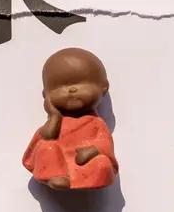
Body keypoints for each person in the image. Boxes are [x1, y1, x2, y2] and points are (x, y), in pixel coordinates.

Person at [23, 48, 118, 190]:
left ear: (103, 88)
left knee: (102, 163)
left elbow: (105, 145)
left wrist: (92, 151)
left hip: (84, 164)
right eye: (59, 87)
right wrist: (54, 115)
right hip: (58, 164)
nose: (71, 90)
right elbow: (47, 136)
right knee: (47, 147)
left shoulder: (96, 123)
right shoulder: (57, 120)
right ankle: (56, 176)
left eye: (81, 83)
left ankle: (89, 180)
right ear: (46, 94)